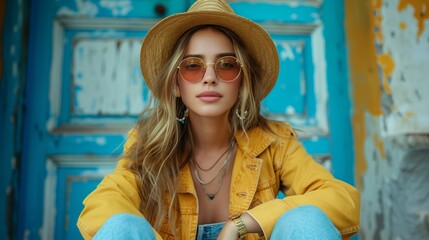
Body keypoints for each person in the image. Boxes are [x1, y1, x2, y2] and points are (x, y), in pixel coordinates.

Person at [77, 0, 360, 239]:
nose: (210, 77)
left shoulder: (274, 143)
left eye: (226, 65)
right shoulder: (149, 144)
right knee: (120, 225)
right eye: (192, 66)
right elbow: (103, 204)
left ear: (242, 81)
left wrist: (245, 222)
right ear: (176, 84)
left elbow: (343, 200)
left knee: (305, 219)